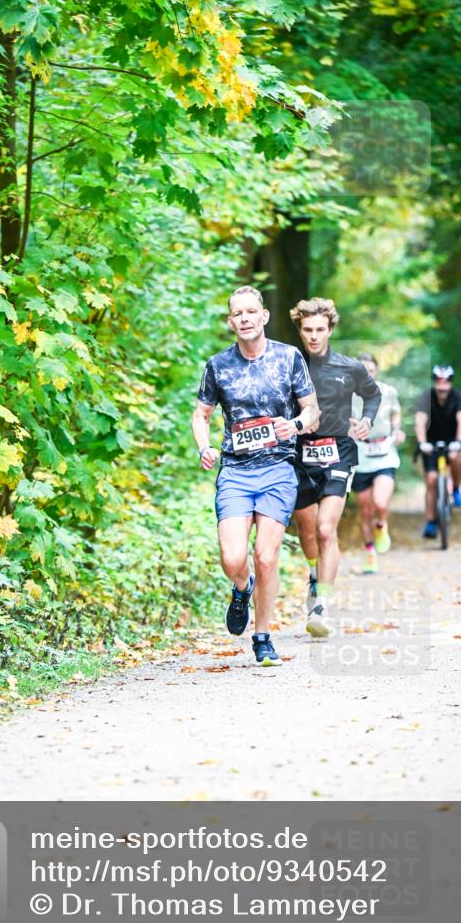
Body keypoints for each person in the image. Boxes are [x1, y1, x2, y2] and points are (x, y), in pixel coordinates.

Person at [192, 285, 319, 666]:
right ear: (230, 322)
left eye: (251, 311)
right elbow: (201, 415)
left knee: (265, 556)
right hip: (235, 471)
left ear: (264, 316)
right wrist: (204, 446)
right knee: (233, 558)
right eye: (238, 313)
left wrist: (295, 425)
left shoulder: (289, 357)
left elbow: (312, 410)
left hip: (278, 468)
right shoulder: (218, 365)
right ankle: (242, 587)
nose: (245, 318)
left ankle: (262, 637)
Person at [289, 298, 381, 638]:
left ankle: (322, 606)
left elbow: (372, 395)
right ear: (300, 330)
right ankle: (315, 575)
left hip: (338, 452)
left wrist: (367, 420)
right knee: (307, 531)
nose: (314, 336)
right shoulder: (288, 366)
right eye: (307, 330)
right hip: (300, 456)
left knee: (326, 529)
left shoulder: (349, 367)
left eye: (320, 330)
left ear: (330, 330)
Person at [351, 353, 406, 574]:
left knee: (380, 503)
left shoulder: (388, 391)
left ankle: (382, 525)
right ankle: (370, 553)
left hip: (384, 453)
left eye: (371, 371)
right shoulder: (347, 394)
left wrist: (397, 431)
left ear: (377, 372)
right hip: (360, 455)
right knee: (365, 510)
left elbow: (395, 414)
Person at [415, 365, 461, 538]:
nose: (442, 387)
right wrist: (422, 442)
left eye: (445, 382)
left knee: (456, 456)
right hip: (431, 443)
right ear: (434, 382)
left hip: (452, 441)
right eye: (438, 382)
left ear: (450, 383)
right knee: (431, 480)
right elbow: (420, 422)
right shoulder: (426, 397)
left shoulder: (459, 397)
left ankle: (456, 489)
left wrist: (459, 442)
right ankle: (431, 522)